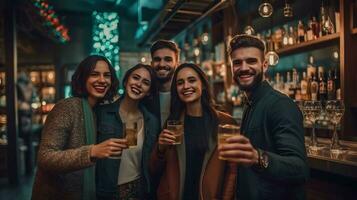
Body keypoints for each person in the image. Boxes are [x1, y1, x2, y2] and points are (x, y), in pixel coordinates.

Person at [218, 34, 309, 200]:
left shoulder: (280, 105)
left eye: (251, 61)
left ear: (265, 65)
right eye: (237, 62)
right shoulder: (252, 103)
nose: (244, 67)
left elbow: (299, 168)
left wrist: (257, 157)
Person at [32, 55, 121, 200]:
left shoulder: (97, 111)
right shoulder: (67, 107)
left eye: (107, 75)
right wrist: (91, 152)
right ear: (82, 78)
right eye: (94, 74)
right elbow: (45, 158)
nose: (102, 80)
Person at [150, 63, 237, 200]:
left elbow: (232, 170)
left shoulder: (225, 122)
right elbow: (154, 170)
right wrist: (160, 149)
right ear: (176, 89)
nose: (186, 86)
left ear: (202, 84)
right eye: (180, 82)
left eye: (191, 80)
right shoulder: (173, 123)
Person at [95, 63, 160, 200]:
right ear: (126, 81)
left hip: (138, 191)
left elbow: (151, 162)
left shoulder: (152, 122)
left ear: (148, 91)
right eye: (135, 78)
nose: (138, 84)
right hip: (106, 192)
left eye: (145, 82)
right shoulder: (102, 113)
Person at [148, 40, 180, 127]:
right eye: (157, 59)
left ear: (176, 64)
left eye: (168, 59)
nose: (162, 64)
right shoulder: (144, 97)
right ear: (151, 64)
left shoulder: (184, 96)